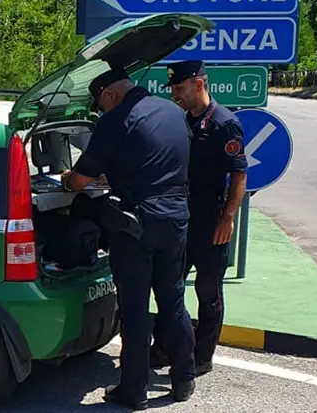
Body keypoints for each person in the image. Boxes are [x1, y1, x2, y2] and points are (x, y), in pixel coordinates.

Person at [60, 67, 197, 409]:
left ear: (110, 94)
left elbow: (80, 181)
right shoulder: (173, 112)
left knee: (135, 308)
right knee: (173, 300)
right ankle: (184, 379)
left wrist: (65, 178)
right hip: (176, 218)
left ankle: (133, 390)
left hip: (136, 224)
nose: (101, 110)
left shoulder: (116, 119)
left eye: (100, 104)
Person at [150, 60, 248, 376]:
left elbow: (239, 175)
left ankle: (202, 355)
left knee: (208, 292)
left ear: (199, 84)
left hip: (210, 222)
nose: (175, 95)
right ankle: (164, 348)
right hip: (180, 219)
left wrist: (228, 218)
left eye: (179, 88)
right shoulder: (181, 122)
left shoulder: (224, 124)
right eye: (173, 89)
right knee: (169, 287)